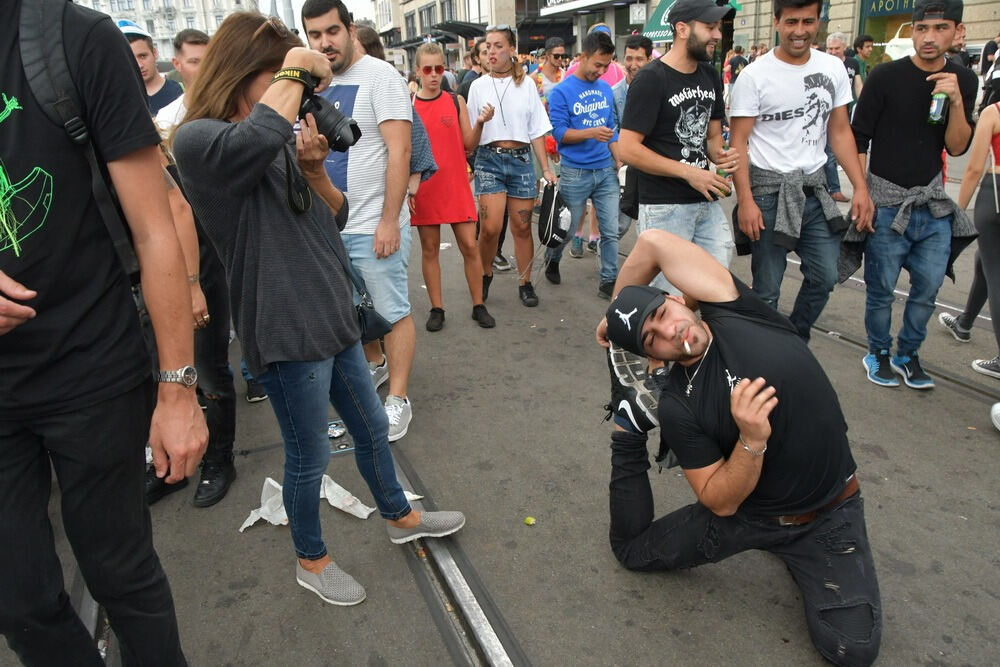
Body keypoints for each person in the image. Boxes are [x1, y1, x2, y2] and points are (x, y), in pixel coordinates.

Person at [173, 11, 465, 607]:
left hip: (333, 313)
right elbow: (251, 138)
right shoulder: (199, 140)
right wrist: (299, 67)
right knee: (309, 455)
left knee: (372, 428)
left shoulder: (274, 138)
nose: (300, 93)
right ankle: (311, 558)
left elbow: (332, 216)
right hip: (284, 326)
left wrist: (313, 171)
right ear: (245, 72)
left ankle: (399, 517)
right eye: (283, 76)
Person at [0, 0, 207, 662]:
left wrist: (178, 389)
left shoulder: (71, 36)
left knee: (121, 576)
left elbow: (156, 225)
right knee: (19, 601)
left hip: (90, 368)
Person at [595, 229, 882, 667]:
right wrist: (751, 441)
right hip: (751, 514)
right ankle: (629, 424)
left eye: (661, 313)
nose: (670, 330)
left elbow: (651, 242)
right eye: (652, 339)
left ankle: (801, 554)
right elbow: (719, 501)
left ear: (676, 298)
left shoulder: (733, 306)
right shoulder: (677, 404)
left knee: (852, 650)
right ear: (655, 358)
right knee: (633, 550)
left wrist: (613, 316)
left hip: (829, 512)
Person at [304, 0, 418, 440]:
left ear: (350, 30)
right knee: (354, 311)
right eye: (315, 35)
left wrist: (389, 220)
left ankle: (398, 399)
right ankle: (376, 364)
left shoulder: (381, 76)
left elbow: (400, 151)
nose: (324, 43)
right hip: (329, 227)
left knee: (391, 311)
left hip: (374, 223)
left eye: (332, 31)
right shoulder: (308, 83)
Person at [849, 0, 978, 389]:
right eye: (922, 28)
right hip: (886, 203)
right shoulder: (885, 76)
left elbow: (957, 146)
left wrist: (956, 100)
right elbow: (858, 138)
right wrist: (861, 192)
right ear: (913, 30)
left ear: (957, 32)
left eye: (940, 28)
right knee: (881, 290)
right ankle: (878, 352)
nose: (929, 37)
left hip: (933, 205)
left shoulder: (963, 79)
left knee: (927, 290)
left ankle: (907, 353)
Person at [730, 0, 872, 340]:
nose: (800, 30)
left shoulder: (833, 67)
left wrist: (861, 188)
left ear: (818, 21)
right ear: (776, 22)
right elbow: (738, 143)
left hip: (814, 191)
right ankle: (764, 355)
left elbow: (840, 131)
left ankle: (794, 338)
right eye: (791, 21)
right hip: (768, 193)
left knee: (825, 276)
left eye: (808, 21)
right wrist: (745, 201)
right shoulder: (754, 76)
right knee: (767, 288)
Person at [153, 29, 240, 508]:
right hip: (160, 265)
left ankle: (219, 459)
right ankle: (169, 464)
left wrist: (193, 285)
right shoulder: (162, 120)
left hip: (208, 260)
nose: (202, 69)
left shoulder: (229, 113)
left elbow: (183, 208)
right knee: (164, 371)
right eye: (192, 60)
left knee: (208, 367)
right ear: (177, 64)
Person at [619, 0, 740, 294]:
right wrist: (689, 173)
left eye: (718, 28)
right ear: (682, 29)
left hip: (705, 200)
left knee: (716, 287)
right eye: (709, 27)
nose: (717, 35)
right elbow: (627, 149)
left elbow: (712, 138)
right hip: (664, 206)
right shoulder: (651, 78)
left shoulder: (710, 75)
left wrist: (722, 156)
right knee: (667, 298)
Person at [466, 25, 556, 308]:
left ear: (512, 49)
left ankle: (525, 282)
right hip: (489, 159)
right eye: (488, 47)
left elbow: (537, 131)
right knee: (490, 228)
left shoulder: (526, 84)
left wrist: (546, 169)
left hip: (521, 160)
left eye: (498, 46)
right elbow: (470, 139)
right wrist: (481, 121)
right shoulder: (477, 86)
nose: (491, 52)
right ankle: (485, 273)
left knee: (522, 227)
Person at [411, 42, 496, 330]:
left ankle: (478, 305)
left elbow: (469, 144)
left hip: (456, 185)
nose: (434, 74)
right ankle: (437, 308)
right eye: (428, 69)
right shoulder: (409, 105)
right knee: (430, 249)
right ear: (417, 71)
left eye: (439, 68)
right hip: (426, 187)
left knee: (470, 246)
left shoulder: (454, 100)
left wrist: (480, 122)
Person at [543, 31, 622, 299]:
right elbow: (559, 133)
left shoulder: (605, 90)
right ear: (583, 57)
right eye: (597, 64)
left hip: (606, 171)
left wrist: (619, 160)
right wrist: (591, 133)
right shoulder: (560, 92)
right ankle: (553, 257)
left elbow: (611, 130)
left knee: (610, 231)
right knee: (566, 229)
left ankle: (608, 280)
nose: (601, 71)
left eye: (606, 66)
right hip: (575, 172)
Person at [937, 102, 1000, 377]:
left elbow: (974, 168)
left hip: (994, 195)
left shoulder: (994, 112)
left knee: (995, 273)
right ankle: (964, 323)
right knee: (983, 259)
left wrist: (958, 212)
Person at [612, 34, 653, 240]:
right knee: (618, 225)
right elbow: (612, 131)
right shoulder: (615, 93)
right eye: (629, 58)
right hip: (625, 167)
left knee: (652, 229)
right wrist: (620, 162)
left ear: (649, 60)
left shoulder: (659, 89)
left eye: (639, 59)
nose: (633, 64)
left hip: (654, 167)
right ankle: (606, 260)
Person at [823, 32, 863, 202]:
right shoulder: (823, 63)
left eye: (836, 48)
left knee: (833, 152)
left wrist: (863, 104)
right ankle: (834, 189)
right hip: (825, 114)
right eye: (830, 48)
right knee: (830, 153)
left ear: (845, 47)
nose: (832, 52)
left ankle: (830, 187)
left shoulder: (853, 63)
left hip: (843, 113)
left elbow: (858, 84)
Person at [118, 19, 184, 114]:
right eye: (130, 59)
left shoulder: (181, 91)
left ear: (155, 53)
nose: (139, 65)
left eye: (143, 56)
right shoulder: (121, 102)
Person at [155, 29, 209, 130]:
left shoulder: (233, 106)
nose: (204, 68)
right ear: (177, 64)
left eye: (208, 61)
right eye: (194, 62)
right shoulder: (167, 119)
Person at [532, 37, 566, 110]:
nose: (560, 59)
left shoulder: (564, 75)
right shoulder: (535, 77)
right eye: (556, 56)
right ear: (547, 55)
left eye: (562, 56)